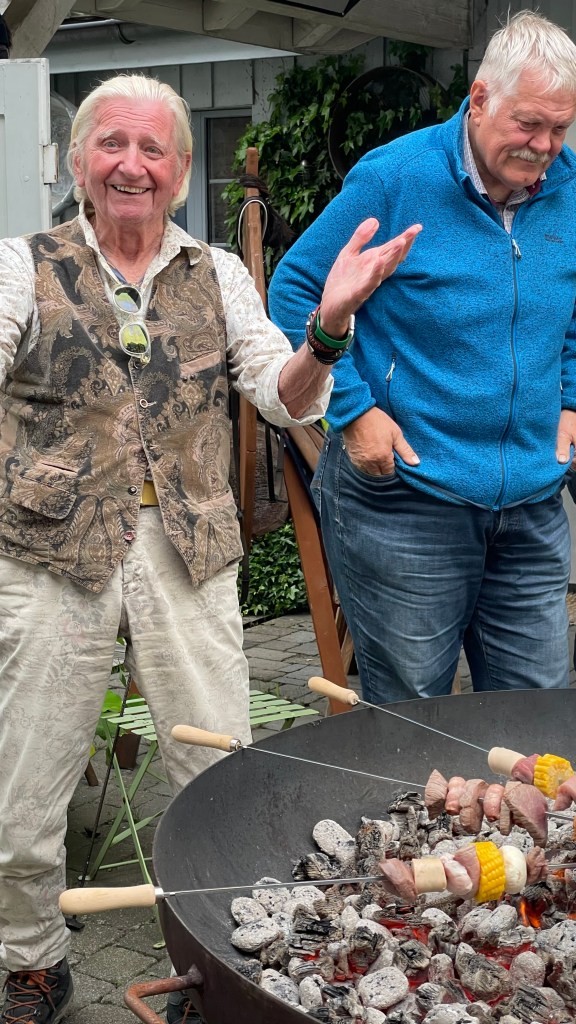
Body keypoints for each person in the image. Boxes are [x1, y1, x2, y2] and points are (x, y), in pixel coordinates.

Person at [0, 73, 420, 1024]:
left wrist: (328, 330)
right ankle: (32, 961)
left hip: (186, 549)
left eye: (152, 149)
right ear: (79, 163)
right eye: (112, 144)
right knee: (23, 789)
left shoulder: (220, 274)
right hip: (50, 553)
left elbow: (283, 392)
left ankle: (209, 968)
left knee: (219, 774)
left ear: (183, 170)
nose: (132, 165)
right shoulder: (23, 265)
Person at [269, 10, 576, 707]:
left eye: (560, 129)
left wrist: (570, 398)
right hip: (405, 500)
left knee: (537, 715)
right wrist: (353, 410)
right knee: (415, 719)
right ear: (479, 99)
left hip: (531, 504)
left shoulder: (570, 193)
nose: (544, 147)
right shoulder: (396, 178)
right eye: (529, 124)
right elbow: (295, 289)